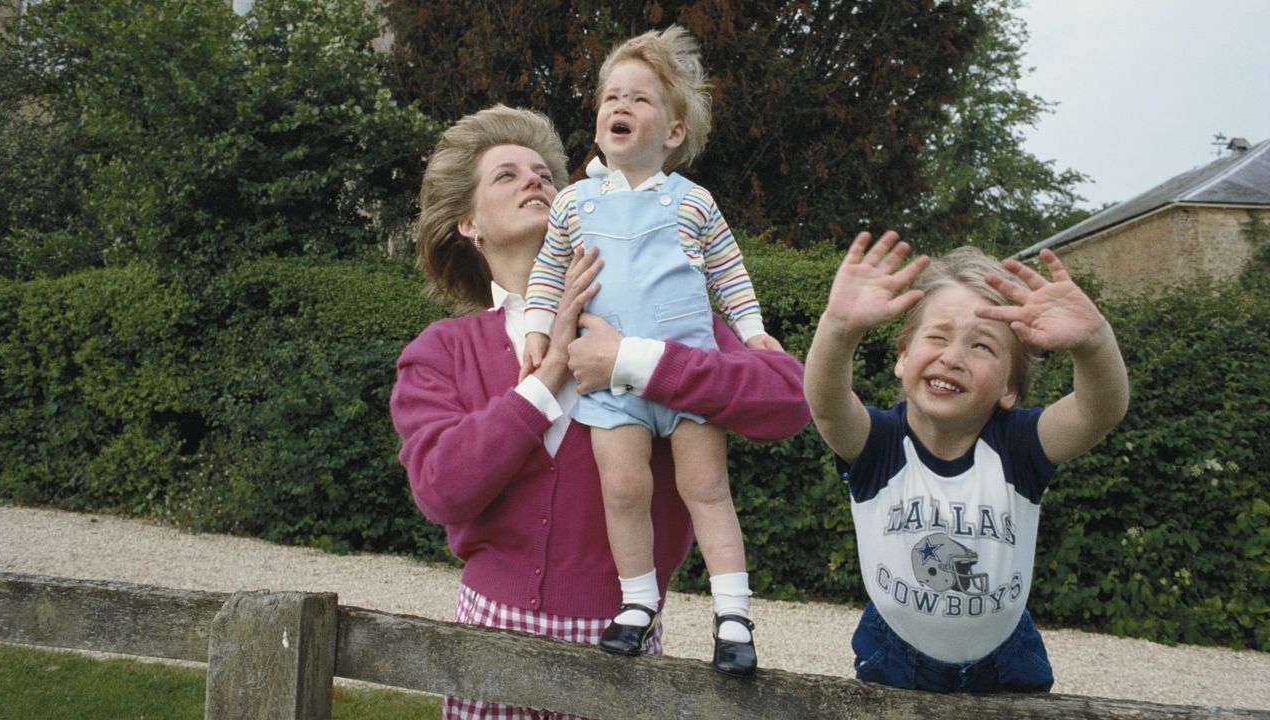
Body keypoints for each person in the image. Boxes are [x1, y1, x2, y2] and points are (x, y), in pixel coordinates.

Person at [390, 104, 809, 718]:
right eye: (505, 175)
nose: (535, 180)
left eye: (544, 173)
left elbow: (788, 401)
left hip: (623, 655)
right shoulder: (441, 351)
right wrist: (552, 367)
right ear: (468, 224)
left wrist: (635, 362)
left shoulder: (670, 320)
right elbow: (442, 491)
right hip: (487, 644)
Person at [518, 26, 778, 677]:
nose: (619, 107)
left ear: (672, 133)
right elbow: (549, 273)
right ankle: (637, 605)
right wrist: (539, 333)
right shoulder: (574, 202)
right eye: (610, 97)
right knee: (625, 488)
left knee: (705, 487)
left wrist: (750, 332)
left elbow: (729, 273)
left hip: (688, 379)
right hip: (611, 388)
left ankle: (734, 614)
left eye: (639, 99)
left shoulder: (693, 202)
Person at [803, 231, 1129, 693]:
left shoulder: (1020, 447)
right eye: (936, 336)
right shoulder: (879, 444)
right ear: (903, 359)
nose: (952, 357)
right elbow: (827, 405)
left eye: (982, 347)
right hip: (895, 652)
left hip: (1006, 656)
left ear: (1010, 389)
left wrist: (1094, 343)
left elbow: (1100, 411)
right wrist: (838, 327)